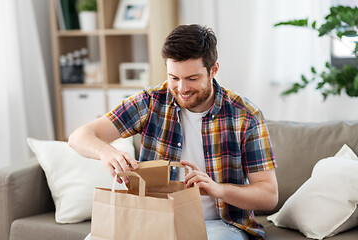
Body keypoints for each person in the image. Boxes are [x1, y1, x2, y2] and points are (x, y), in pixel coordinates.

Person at [69, 24, 278, 240]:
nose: (182, 88)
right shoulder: (150, 102)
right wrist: (106, 152)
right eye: (174, 78)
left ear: (213, 70)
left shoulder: (245, 116)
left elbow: (269, 195)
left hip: (220, 225)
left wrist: (218, 189)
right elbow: (79, 137)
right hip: (152, 219)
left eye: (192, 78)